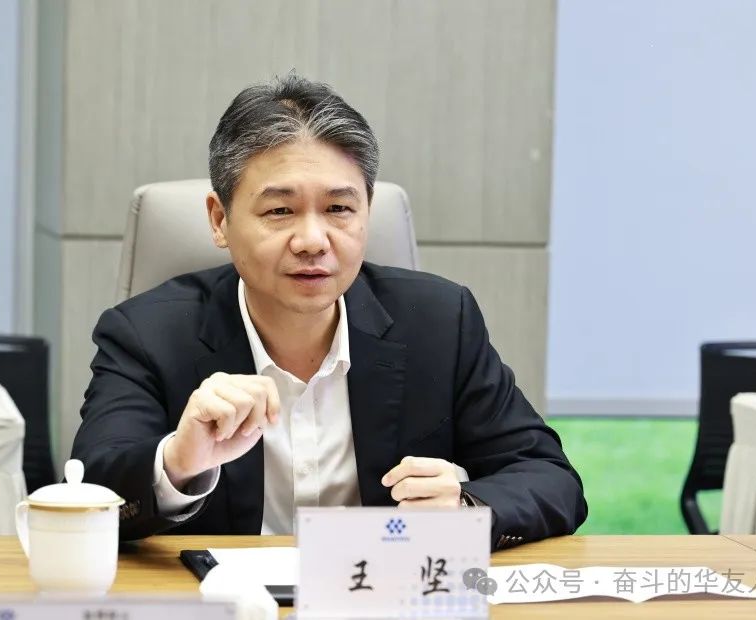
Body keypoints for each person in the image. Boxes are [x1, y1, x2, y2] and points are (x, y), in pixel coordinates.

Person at [71, 74, 587, 550]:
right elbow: (93, 492)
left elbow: (549, 478)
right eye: (280, 211)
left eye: (339, 208)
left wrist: (464, 509)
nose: (313, 241)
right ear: (219, 220)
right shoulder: (147, 334)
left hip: (382, 595)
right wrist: (179, 463)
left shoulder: (438, 321)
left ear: (367, 212)